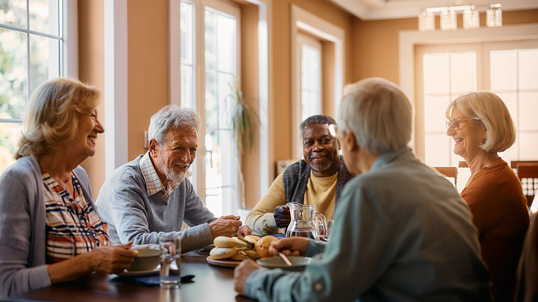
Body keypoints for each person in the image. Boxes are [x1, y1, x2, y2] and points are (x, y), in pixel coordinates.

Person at [234, 78, 492, 301]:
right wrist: (312, 247)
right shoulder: (440, 184)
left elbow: (323, 293)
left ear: (350, 138)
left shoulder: (368, 191)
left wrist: (257, 281)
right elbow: (393, 259)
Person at [0, 78, 138, 298]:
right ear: (63, 118)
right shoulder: (18, 181)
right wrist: (90, 261)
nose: (100, 128)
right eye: (92, 115)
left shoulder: (79, 176)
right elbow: (6, 284)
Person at [96, 105, 251, 253]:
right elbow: (137, 243)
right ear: (153, 148)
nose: (187, 158)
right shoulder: (125, 183)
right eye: (179, 148)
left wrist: (234, 230)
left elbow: (206, 223)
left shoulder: (178, 180)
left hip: (161, 269)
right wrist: (209, 231)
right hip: (117, 275)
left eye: (193, 149)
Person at [445, 91, 529, 302]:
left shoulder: (491, 184)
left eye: (457, 123)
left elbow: (440, 241)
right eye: (449, 122)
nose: (449, 131)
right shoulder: (490, 174)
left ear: (485, 128)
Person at [246, 115, 354, 236]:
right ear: (303, 148)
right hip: (298, 253)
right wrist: (274, 220)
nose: (317, 148)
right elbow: (250, 221)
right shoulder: (292, 175)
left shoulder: (356, 173)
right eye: (309, 143)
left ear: (339, 143)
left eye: (325, 140)